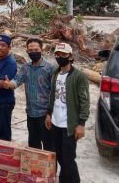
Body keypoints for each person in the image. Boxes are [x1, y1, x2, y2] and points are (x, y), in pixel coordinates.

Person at [45, 43, 89, 183]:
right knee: (58, 156)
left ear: (70, 56)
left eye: (63, 54)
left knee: (68, 159)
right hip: (55, 123)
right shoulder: (55, 73)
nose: (59, 57)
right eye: (57, 54)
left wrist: (81, 123)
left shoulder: (79, 76)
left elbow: (84, 101)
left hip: (69, 125)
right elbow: (53, 96)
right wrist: (49, 114)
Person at [4, 37, 55, 151]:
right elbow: (17, 80)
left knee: (49, 148)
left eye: (36, 49)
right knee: (33, 146)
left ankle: (50, 169)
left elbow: (55, 93)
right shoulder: (26, 67)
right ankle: (35, 169)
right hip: (31, 114)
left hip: (45, 115)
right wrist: (9, 84)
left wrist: (50, 114)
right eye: (30, 50)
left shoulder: (50, 68)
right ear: (27, 51)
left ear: (42, 50)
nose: (33, 52)